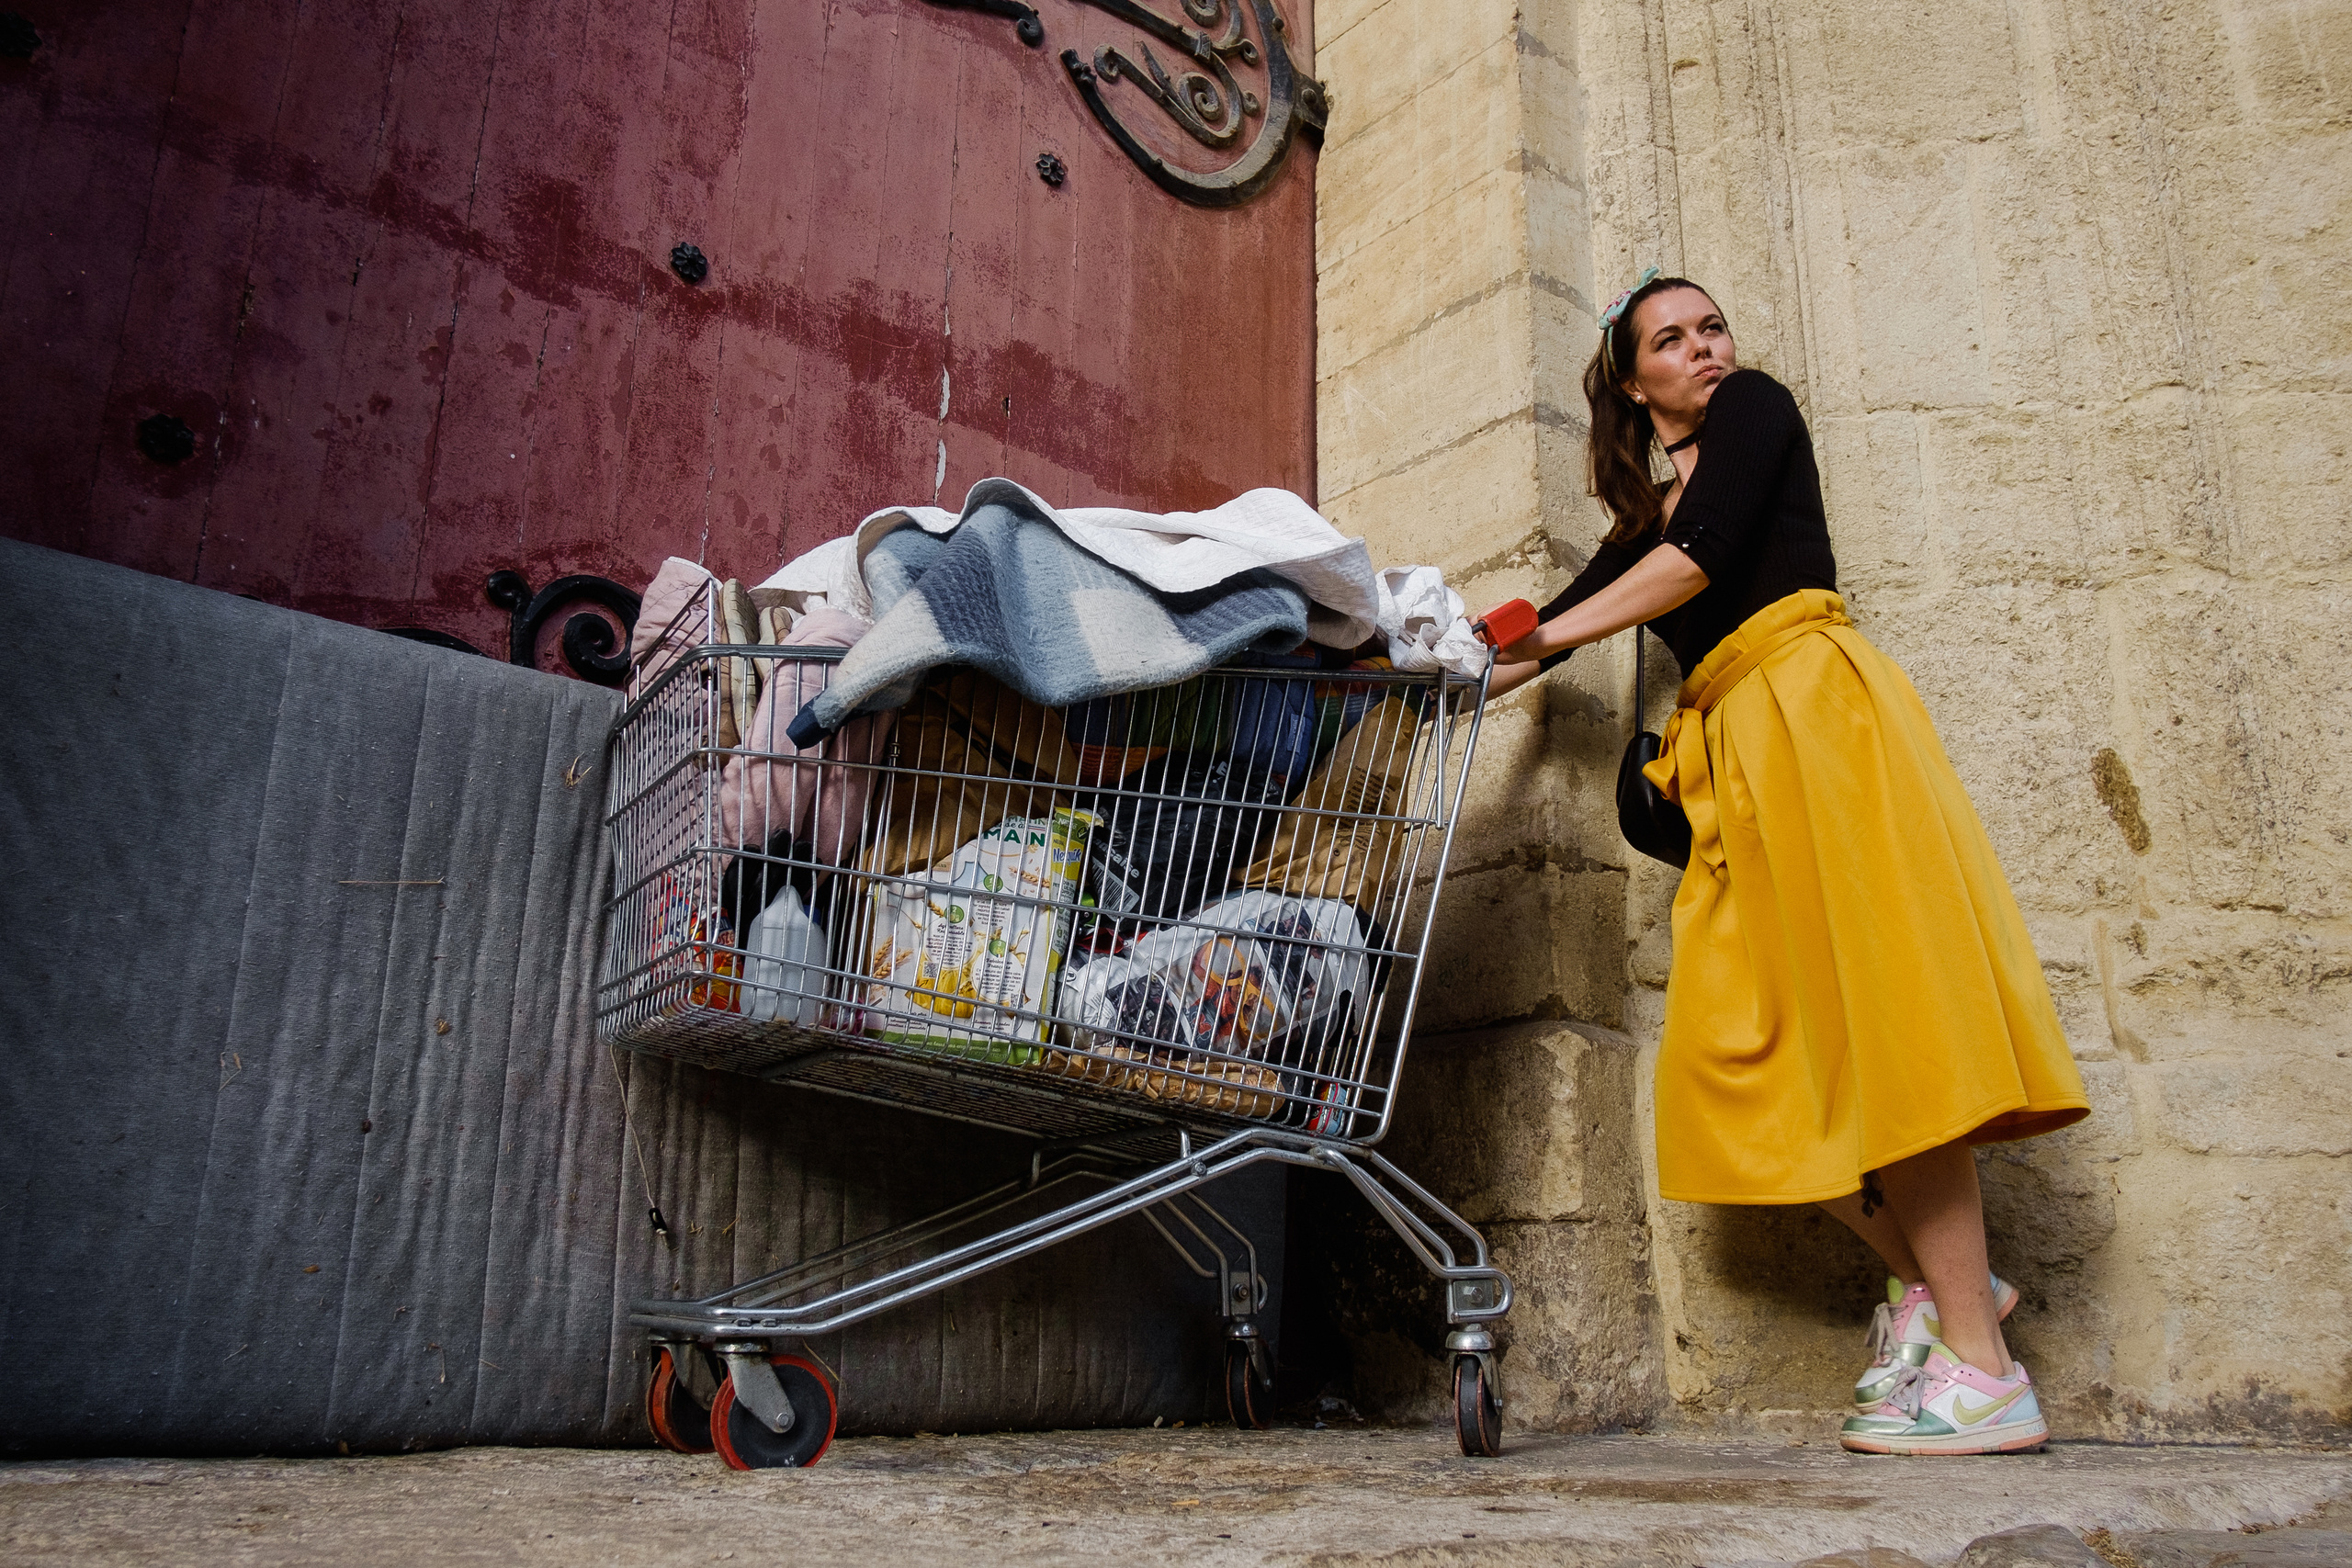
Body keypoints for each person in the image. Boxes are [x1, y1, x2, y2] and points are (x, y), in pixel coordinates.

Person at [1485, 270, 2090, 1455]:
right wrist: (1412, 663)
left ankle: (1983, 1368)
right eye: (1673, 339)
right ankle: (1947, 1289)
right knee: (1741, 1061)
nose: (1706, 348)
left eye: (1711, 327)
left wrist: (1548, 634)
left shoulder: (1756, 411)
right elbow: (1534, 641)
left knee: (1889, 1025)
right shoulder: (1639, 527)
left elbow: (1696, 564)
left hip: (1816, 714)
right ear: (1630, 379)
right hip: (1738, 765)